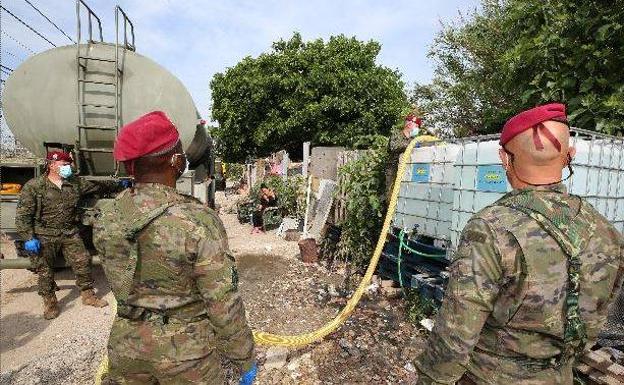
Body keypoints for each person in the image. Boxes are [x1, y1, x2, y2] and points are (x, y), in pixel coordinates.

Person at [415, 103, 624, 384]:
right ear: (569, 157)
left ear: (504, 158)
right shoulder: (607, 232)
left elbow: (455, 335)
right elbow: (597, 319)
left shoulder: (490, 228)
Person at [93, 111, 256, 385]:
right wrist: (244, 357)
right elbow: (222, 301)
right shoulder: (196, 219)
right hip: (188, 356)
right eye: (179, 150)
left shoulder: (108, 215)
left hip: (127, 348)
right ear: (174, 160)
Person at [15, 150, 115, 319]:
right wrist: (29, 238)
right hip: (44, 234)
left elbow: (99, 185)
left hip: (69, 232)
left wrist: (121, 184)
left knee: (82, 261)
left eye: (69, 164)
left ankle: (88, 295)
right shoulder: (34, 186)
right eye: (64, 165)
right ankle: (50, 303)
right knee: (44, 270)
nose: (68, 167)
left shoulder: (74, 183)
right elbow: (23, 216)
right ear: (51, 165)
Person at [385, 113, 421, 201]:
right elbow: (393, 147)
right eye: (416, 126)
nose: (417, 129)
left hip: (407, 169)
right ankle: (389, 213)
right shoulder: (397, 135)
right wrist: (410, 145)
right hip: (393, 170)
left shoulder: (413, 139)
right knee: (391, 195)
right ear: (409, 124)